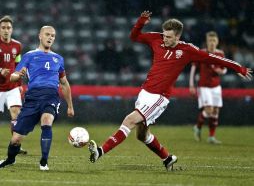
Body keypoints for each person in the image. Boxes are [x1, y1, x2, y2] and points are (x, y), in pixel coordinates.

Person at [88, 11, 252, 171]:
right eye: (164, 35)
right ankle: (167, 158)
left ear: (178, 37)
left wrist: (238, 67)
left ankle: (100, 151)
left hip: (159, 97)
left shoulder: (187, 50)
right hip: (145, 92)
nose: (164, 39)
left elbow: (213, 58)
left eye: (169, 37)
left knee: (129, 120)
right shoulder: (156, 38)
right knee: (142, 135)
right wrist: (140, 24)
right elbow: (134, 37)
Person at [0, 26, 74, 171]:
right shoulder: (29, 56)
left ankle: (44, 161)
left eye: (53, 35)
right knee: (16, 139)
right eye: (47, 34)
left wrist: (70, 105)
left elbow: (64, 83)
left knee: (46, 121)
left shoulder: (58, 59)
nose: (50, 37)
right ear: (40, 36)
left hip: (51, 96)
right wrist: (18, 75)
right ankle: (10, 159)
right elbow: (14, 75)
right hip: (32, 98)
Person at [189, 31, 227, 144]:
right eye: (210, 40)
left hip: (216, 86)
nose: (212, 43)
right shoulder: (201, 53)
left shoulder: (220, 54)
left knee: (215, 112)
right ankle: (198, 126)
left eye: (214, 40)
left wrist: (222, 71)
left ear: (217, 41)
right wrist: (191, 85)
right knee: (209, 110)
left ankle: (211, 136)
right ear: (207, 41)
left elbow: (225, 68)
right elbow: (193, 69)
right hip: (204, 86)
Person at [0, 15, 27, 154]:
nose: (6, 30)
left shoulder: (17, 45)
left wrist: (19, 84)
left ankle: (15, 145)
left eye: (8, 28)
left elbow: (18, 65)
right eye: (3, 27)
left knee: (16, 115)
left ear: (12, 29)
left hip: (12, 87)